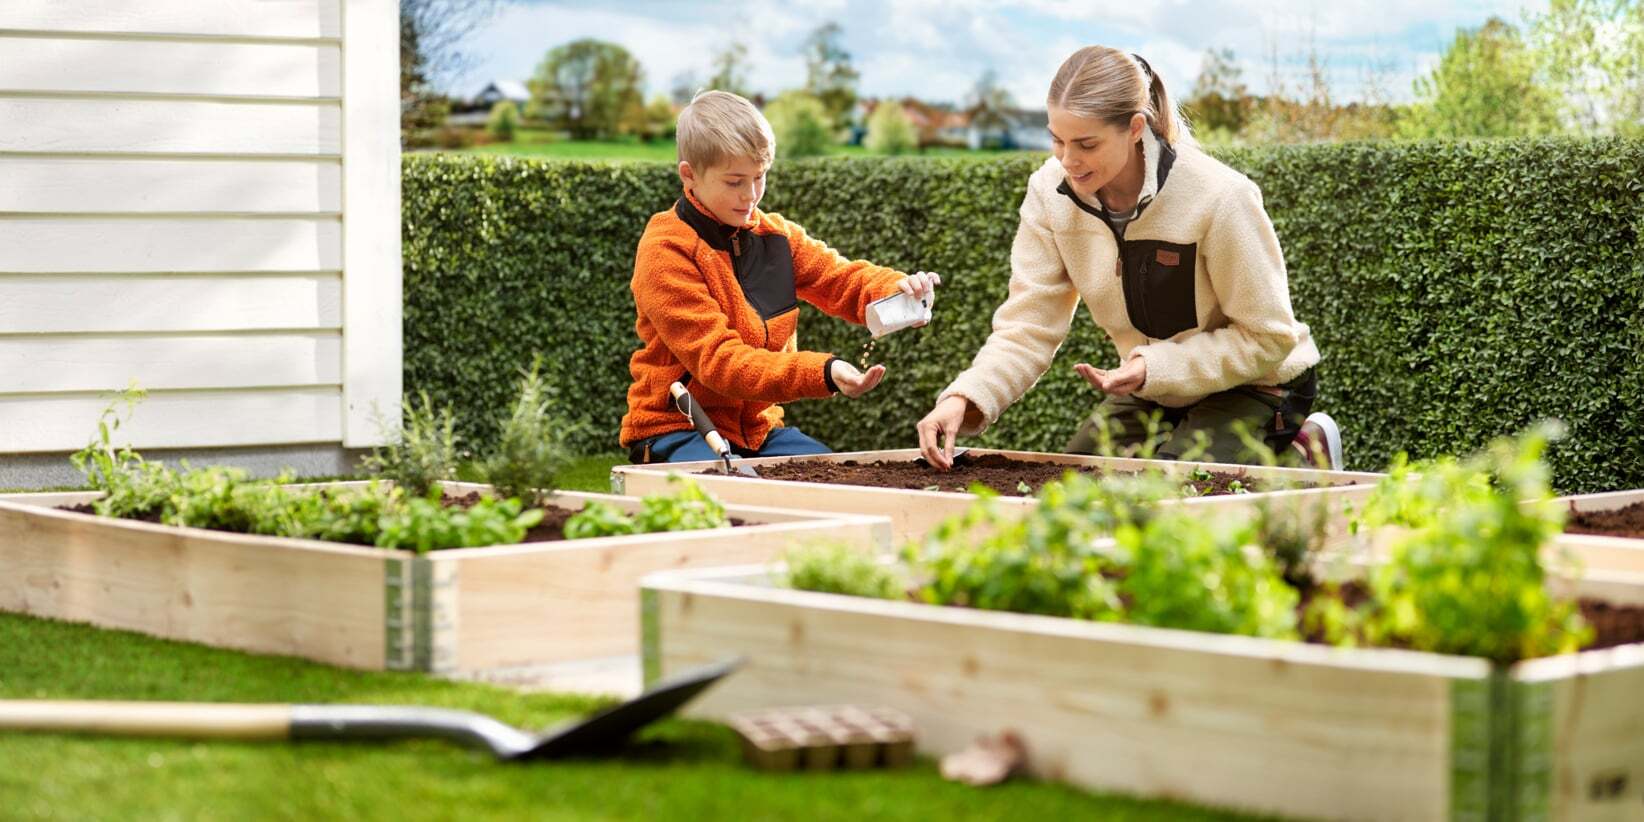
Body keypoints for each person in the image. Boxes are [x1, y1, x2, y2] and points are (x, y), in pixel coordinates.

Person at [917, 46, 1342, 471]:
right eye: (1057, 140)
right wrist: (966, 397)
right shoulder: (1049, 194)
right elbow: (1029, 326)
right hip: (1156, 387)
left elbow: (1269, 337)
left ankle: (1304, 454)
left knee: (1173, 501)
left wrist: (1150, 367)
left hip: (1259, 385)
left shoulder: (1220, 197)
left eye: (1086, 143)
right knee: (1073, 495)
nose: (1068, 160)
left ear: (1135, 127)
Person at [621, 90, 940, 464]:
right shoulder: (666, 249)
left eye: (760, 177)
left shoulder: (776, 238)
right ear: (689, 176)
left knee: (841, 479)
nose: (752, 195)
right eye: (735, 181)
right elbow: (720, 362)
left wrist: (897, 289)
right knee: (734, 492)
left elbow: (841, 280)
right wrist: (823, 371)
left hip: (758, 433)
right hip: (676, 430)